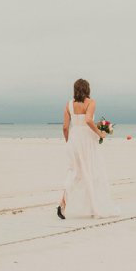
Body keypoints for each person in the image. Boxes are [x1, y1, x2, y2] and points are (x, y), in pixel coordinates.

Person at [57, 79, 119, 219]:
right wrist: (100, 132)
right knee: (92, 171)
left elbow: (65, 127)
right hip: (87, 141)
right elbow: (88, 120)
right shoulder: (90, 102)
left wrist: (68, 142)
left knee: (74, 172)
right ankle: (94, 207)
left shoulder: (68, 105)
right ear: (87, 89)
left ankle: (63, 203)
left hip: (74, 140)